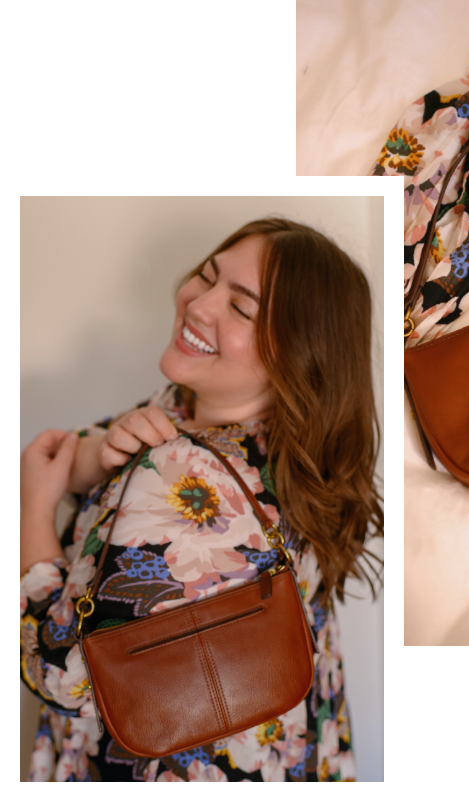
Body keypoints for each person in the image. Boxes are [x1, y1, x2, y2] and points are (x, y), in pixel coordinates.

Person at [20, 218, 383, 781]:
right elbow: (109, 456)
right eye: (208, 276)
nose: (198, 303)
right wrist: (93, 458)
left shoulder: (185, 480)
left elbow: (63, 676)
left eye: (241, 308)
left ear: (298, 353)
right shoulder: (292, 449)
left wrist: (32, 515)